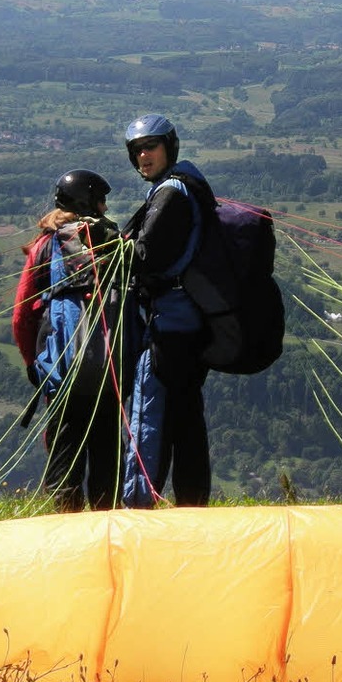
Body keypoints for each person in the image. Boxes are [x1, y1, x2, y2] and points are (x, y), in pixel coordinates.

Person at [12, 169, 123, 511]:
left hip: (62, 369)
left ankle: (67, 526)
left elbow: (22, 316)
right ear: (88, 201)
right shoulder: (111, 241)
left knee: (65, 448)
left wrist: (33, 363)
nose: (105, 207)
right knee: (106, 450)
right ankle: (108, 529)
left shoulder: (45, 247)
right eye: (101, 200)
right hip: (109, 368)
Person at [122, 114, 211, 507]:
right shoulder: (185, 185)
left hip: (169, 328)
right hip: (191, 323)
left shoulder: (171, 194)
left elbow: (143, 256)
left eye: (151, 147)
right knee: (185, 418)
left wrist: (105, 247)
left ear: (168, 148)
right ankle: (193, 505)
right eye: (137, 150)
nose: (143, 156)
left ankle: (141, 504)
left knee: (153, 418)